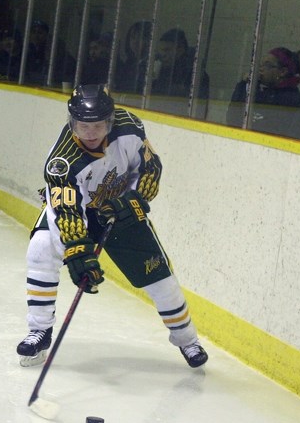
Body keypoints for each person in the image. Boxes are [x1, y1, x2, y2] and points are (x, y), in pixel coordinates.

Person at [15, 84, 208, 369]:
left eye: (97, 126)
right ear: (73, 124)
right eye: (82, 126)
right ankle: (40, 330)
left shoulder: (130, 128)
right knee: (41, 248)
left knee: (158, 276)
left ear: (110, 122)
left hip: (121, 209)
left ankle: (187, 339)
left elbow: (150, 167)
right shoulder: (62, 162)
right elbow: (66, 210)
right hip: (77, 211)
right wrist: (79, 253)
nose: (90, 133)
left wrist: (134, 200)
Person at [226, 47, 300, 137]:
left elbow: (267, 128)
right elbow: (232, 118)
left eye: (267, 65)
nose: (261, 69)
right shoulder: (266, 92)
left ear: (282, 72)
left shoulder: (289, 98)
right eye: (261, 65)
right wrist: (245, 84)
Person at [151, 28, 210, 116]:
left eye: (167, 50)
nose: (162, 54)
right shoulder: (160, 70)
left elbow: (198, 107)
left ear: (180, 50)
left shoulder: (196, 75)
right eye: (161, 50)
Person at [113, 21, 153, 95]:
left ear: (149, 41)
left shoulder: (154, 64)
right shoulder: (128, 64)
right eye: (132, 37)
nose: (135, 41)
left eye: (140, 37)